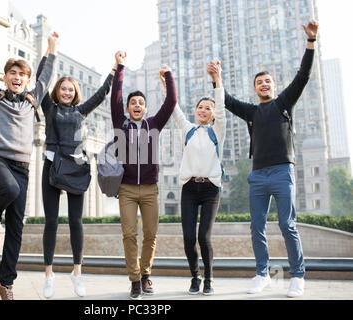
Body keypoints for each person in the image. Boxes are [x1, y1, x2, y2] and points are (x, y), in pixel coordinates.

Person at [208, 20, 319, 298]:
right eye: (259, 83)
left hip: (282, 172)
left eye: (267, 81)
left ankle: (297, 276)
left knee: (287, 224)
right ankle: (262, 274)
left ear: (274, 86)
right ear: (255, 89)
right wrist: (217, 79)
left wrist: (311, 42)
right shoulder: (252, 112)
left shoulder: (283, 104)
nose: (264, 84)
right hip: (257, 175)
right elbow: (227, 101)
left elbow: (303, 76)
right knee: (256, 225)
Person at [0, 7, 58, 300]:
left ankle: (6, 283)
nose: (17, 77)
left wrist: (51, 48)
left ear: (27, 80)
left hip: (22, 166)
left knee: (17, 227)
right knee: (8, 188)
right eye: (12, 73)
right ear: (6, 77)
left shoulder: (32, 101)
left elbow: (47, 74)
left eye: (22, 74)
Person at [37, 50, 118, 299]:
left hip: (74, 170)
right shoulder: (48, 107)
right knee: (51, 222)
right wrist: (50, 51)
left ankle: (77, 273)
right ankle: (49, 275)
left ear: (75, 93)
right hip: (52, 167)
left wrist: (114, 68)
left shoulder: (81, 111)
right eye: (63, 88)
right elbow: (40, 79)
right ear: (57, 91)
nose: (67, 92)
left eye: (70, 89)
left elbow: (102, 93)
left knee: (76, 222)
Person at [111, 51, 177, 300]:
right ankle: (135, 280)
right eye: (133, 103)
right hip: (126, 189)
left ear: (145, 108)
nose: (137, 106)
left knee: (150, 234)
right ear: (128, 109)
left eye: (141, 103)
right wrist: (120, 68)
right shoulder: (122, 124)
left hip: (150, 188)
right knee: (129, 235)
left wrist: (168, 76)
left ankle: (146, 273)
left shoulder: (153, 124)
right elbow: (114, 99)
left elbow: (170, 103)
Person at [162, 62, 225, 295]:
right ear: (196, 110)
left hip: (210, 190)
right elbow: (173, 107)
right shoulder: (187, 129)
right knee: (189, 238)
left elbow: (221, 107)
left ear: (212, 114)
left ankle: (209, 279)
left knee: (203, 236)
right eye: (200, 107)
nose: (204, 110)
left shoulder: (217, 130)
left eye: (208, 108)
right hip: (189, 188)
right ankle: (195, 277)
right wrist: (167, 81)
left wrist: (217, 79)